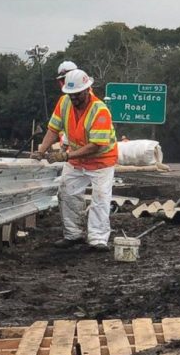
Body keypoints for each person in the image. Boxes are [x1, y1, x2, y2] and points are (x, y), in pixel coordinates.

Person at [32, 69, 118, 252]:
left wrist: (66, 155)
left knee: (100, 199)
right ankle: (73, 234)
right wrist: (42, 150)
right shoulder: (64, 102)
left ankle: (98, 239)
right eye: (70, 95)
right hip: (77, 161)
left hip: (101, 161)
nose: (74, 99)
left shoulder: (100, 110)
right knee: (67, 192)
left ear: (87, 90)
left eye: (77, 94)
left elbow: (96, 145)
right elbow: (53, 129)